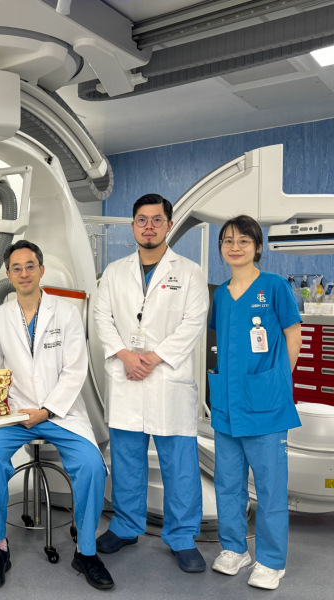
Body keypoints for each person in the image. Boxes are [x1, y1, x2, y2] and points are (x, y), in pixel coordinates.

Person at [0, 240, 113, 590]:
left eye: (30, 266)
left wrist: (46, 410)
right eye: (16, 268)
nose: (24, 273)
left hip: (60, 412)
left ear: (41, 270)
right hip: (15, 415)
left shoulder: (65, 313)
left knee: (91, 465)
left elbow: (75, 369)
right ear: (8, 275)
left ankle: (85, 551)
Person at [94, 193, 209, 573]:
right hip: (126, 376)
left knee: (180, 466)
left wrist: (153, 358)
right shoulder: (114, 272)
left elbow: (193, 323)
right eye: (142, 220)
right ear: (132, 226)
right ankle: (126, 526)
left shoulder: (190, 272)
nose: (149, 227)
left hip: (168, 380)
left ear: (169, 225)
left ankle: (182, 536)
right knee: (126, 461)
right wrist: (126, 356)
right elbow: (101, 318)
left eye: (157, 220)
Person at [207, 215, 302, 590]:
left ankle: (271, 560)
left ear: (257, 247)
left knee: (270, 486)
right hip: (228, 405)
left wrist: (276, 382)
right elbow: (221, 344)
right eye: (228, 241)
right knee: (228, 483)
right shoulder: (220, 294)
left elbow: (293, 336)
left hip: (266, 404)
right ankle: (234, 549)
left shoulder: (274, 286)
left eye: (243, 241)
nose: (235, 247)